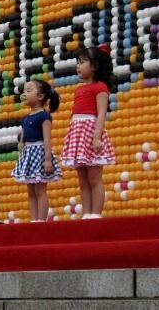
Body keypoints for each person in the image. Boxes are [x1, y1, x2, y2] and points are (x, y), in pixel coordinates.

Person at [61, 45, 116, 219]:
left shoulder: (100, 87)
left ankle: (96, 214)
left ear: (94, 66)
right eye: (77, 62)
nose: (78, 66)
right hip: (78, 133)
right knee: (83, 180)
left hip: (91, 132)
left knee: (94, 178)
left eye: (82, 62)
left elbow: (101, 113)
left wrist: (97, 137)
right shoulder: (79, 89)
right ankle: (86, 213)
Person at [12, 79, 62, 222]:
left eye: (29, 91)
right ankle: (34, 220)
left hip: (39, 153)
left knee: (40, 190)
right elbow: (23, 136)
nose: (24, 94)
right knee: (31, 191)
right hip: (28, 153)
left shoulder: (44, 116)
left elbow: (47, 139)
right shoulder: (25, 118)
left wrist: (47, 159)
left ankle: (41, 220)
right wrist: (21, 145)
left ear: (40, 96)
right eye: (24, 91)